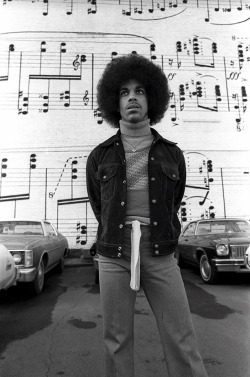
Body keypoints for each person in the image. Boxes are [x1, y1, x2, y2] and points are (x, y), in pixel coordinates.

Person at [86, 53, 208, 377]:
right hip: (114, 254)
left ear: (151, 97)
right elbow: (100, 206)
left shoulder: (172, 154)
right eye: (124, 92)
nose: (132, 98)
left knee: (181, 337)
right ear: (115, 101)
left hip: (161, 252)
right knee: (116, 340)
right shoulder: (99, 156)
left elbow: (173, 202)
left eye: (139, 91)